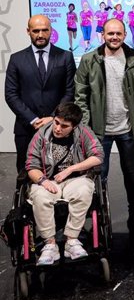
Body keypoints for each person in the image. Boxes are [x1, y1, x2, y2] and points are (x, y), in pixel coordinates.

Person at [74, 18, 134, 243]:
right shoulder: (89, 60)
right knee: (99, 176)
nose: (114, 37)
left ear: (125, 35)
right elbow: (80, 97)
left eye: (118, 33)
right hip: (99, 131)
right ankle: (99, 219)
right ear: (103, 35)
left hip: (129, 129)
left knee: (132, 176)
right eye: (110, 34)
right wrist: (87, 128)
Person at [25, 102, 103, 266]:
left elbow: (97, 156)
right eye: (56, 122)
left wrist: (71, 169)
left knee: (84, 190)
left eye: (64, 126)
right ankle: (50, 244)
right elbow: (31, 166)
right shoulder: (41, 134)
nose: (58, 128)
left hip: (75, 180)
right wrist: (43, 181)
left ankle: (72, 241)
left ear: (74, 127)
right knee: (39, 196)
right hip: (47, 180)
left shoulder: (84, 133)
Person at [5, 14, 76, 176]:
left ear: (51, 31)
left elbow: (70, 91)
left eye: (45, 30)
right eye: (36, 31)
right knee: (25, 172)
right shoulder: (16, 59)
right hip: (26, 127)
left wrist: (53, 118)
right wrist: (33, 119)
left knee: (59, 172)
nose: (41, 35)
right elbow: (11, 94)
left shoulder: (65, 57)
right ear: (28, 31)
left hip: (59, 126)